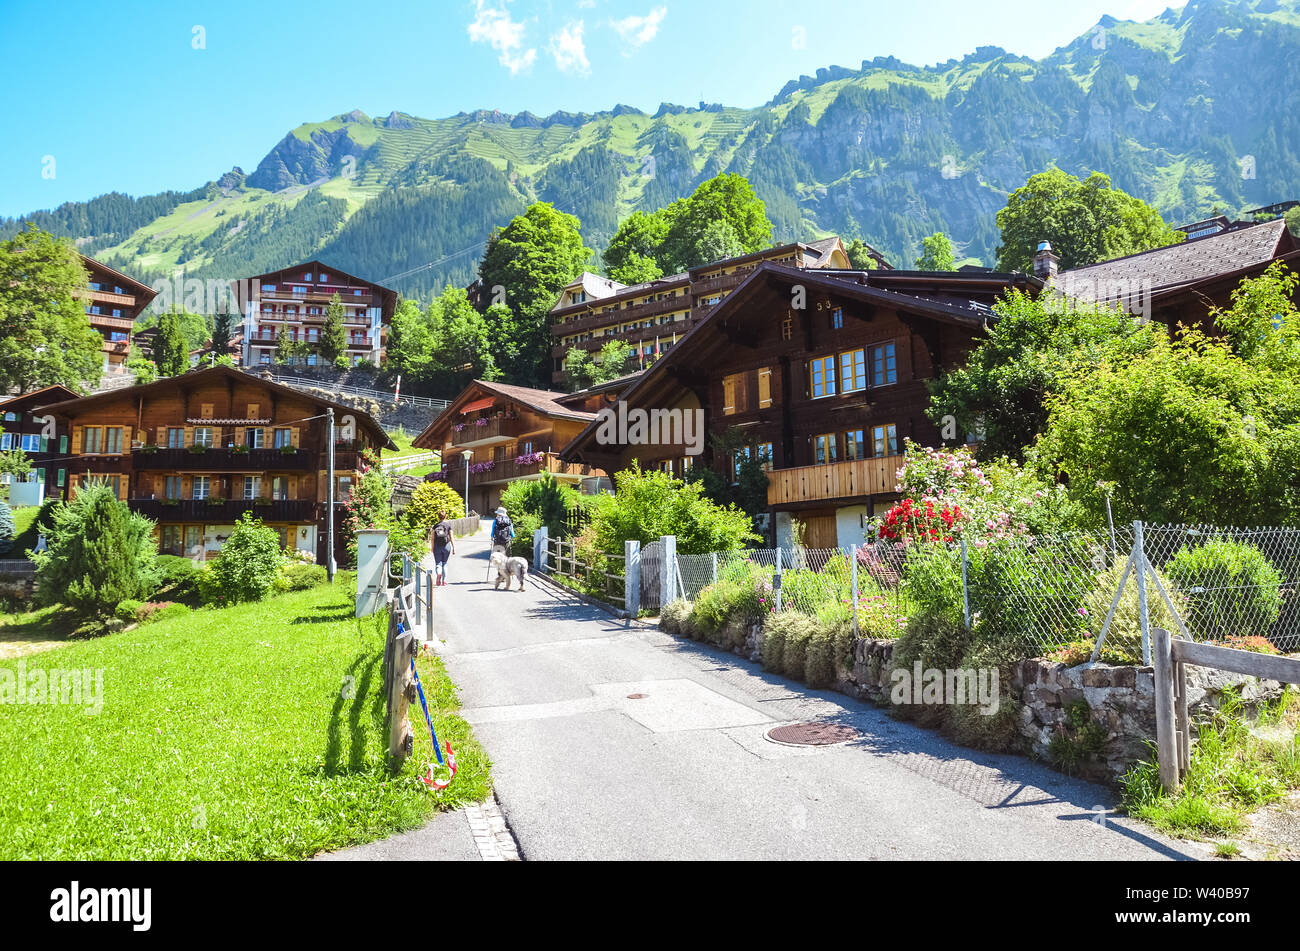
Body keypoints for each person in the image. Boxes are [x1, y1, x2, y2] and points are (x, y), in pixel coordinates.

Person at [431, 511, 455, 586]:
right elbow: (451, 537)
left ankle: (439, 574)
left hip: (437, 546)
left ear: (438, 517)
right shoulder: (448, 525)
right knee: (444, 563)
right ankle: (444, 581)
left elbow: (432, 538)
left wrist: (432, 548)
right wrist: (454, 547)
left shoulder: (435, 526)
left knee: (438, 564)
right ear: (445, 516)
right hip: (446, 546)